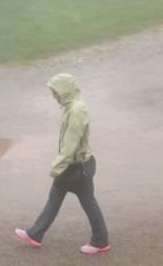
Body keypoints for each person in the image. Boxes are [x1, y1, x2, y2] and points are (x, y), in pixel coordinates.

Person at [14, 73, 110, 255]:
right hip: (79, 166)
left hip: (76, 167)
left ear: (64, 91)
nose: (53, 96)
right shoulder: (72, 107)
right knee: (62, 198)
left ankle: (100, 241)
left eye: (55, 92)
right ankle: (35, 233)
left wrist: (56, 167)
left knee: (80, 201)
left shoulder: (75, 111)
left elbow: (70, 145)